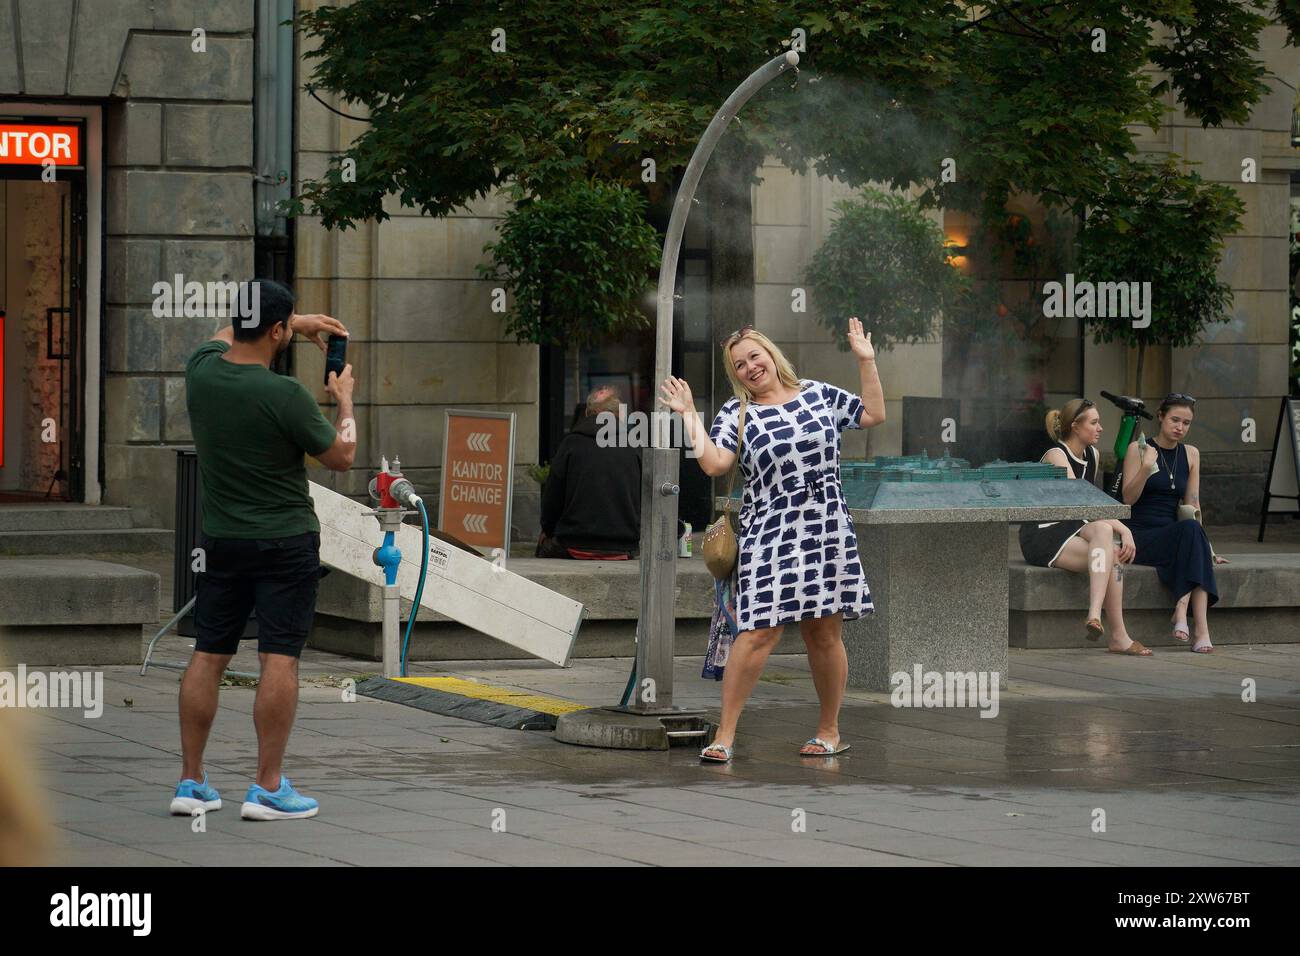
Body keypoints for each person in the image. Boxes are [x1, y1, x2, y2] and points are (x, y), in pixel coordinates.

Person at [660, 318, 884, 762]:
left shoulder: (819, 394)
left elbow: (873, 414)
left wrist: (866, 361)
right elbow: (714, 464)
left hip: (825, 529)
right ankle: (724, 735)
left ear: (770, 354)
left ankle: (829, 731)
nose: (749, 367)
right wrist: (689, 417)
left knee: (823, 632)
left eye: (754, 357)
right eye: (739, 365)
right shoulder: (736, 412)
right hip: (770, 533)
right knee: (757, 631)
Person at [174, 279, 355, 820]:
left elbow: (222, 336)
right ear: (276, 331)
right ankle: (268, 787)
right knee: (279, 656)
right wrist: (344, 398)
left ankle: (191, 782)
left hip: (222, 541)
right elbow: (342, 456)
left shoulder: (201, 371)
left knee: (209, 654)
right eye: (286, 327)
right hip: (284, 542)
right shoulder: (286, 396)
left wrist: (293, 323)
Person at [1018, 398, 1147, 655]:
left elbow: (1090, 509)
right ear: (1075, 426)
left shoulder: (1093, 455)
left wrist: (1117, 528)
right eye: (1094, 422)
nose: (1100, 428)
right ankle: (1109, 627)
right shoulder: (1056, 455)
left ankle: (1101, 623)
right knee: (1110, 546)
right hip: (1043, 533)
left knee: (1107, 538)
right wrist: (1125, 528)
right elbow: (1081, 503)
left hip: (1072, 526)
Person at [1120, 393, 1225, 653]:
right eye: (1175, 420)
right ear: (1161, 417)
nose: (1180, 427)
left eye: (1186, 423)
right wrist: (1146, 469)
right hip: (1140, 535)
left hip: (1174, 533)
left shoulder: (1191, 454)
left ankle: (1190, 619)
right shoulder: (1138, 448)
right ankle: (1196, 626)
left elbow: (1193, 506)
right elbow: (1127, 499)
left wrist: (1208, 547)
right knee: (1190, 535)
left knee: (1193, 532)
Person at [538, 385, 641, 560]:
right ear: (619, 415)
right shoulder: (634, 447)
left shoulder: (571, 444)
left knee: (542, 547)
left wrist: (547, 530)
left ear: (587, 412)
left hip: (574, 543)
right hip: (623, 547)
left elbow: (552, 499)